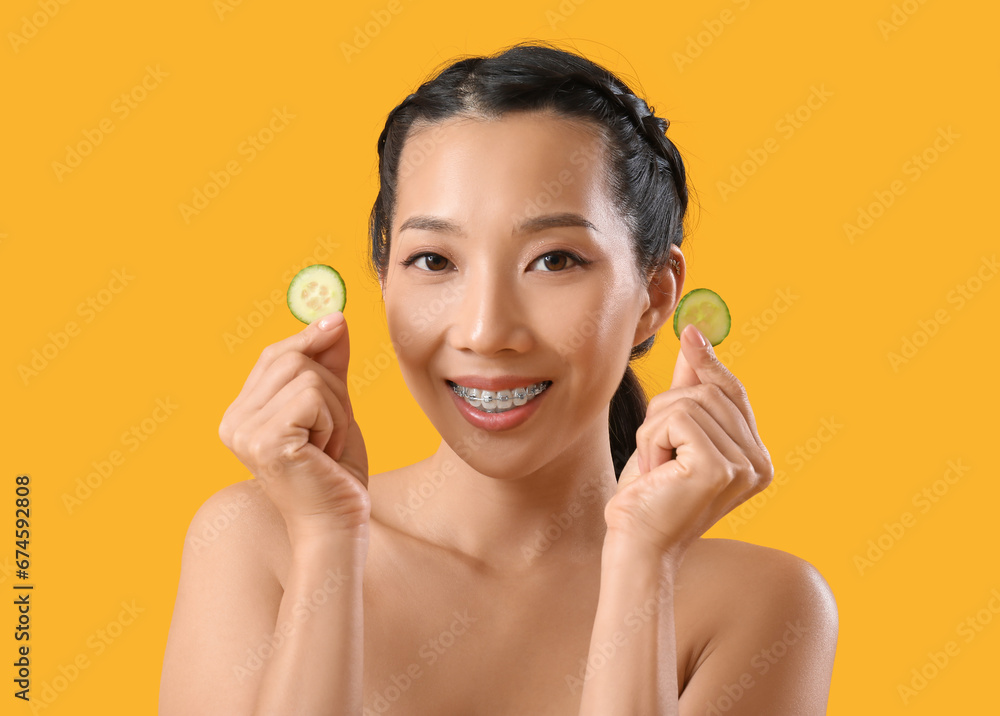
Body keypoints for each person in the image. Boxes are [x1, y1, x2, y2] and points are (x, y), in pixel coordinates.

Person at [159, 41, 838, 715]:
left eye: (554, 261)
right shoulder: (257, 541)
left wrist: (641, 569)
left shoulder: (761, 606)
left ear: (654, 298)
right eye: (433, 261)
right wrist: (328, 548)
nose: (484, 330)